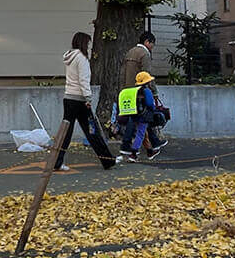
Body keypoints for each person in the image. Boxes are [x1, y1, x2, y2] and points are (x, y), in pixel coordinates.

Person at [56, 33, 121, 172]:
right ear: (84, 43)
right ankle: (107, 160)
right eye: (88, 43)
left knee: (66, 132)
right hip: (80, 100)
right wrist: (88, 98)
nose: (89, 47)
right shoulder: (82, 58)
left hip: (69, 98)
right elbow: (83, 80)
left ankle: (57, 161)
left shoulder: (69, 56)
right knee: (92, 131)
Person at [118, 31, 167, 152]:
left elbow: (122, 73)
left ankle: (153, 143)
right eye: (152, 44)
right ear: (147, 42)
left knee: (138, 118)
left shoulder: (130, 52)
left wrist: (123, 89)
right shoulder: (144, 54)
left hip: (128, 90)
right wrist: (154, 92)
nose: (152, 47)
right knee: (139, 117)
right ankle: (127, 145)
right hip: (139, 91)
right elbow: (147, 74)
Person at [117, 71, 163, 161]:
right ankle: (133, 154)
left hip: (135, 114)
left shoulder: (134, 91)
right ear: (147, 82)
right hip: (144, 115)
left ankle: (150, 151)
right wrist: (154, 108)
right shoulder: (146, 91)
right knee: (141, 134)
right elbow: (150, 104)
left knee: (144, 133)